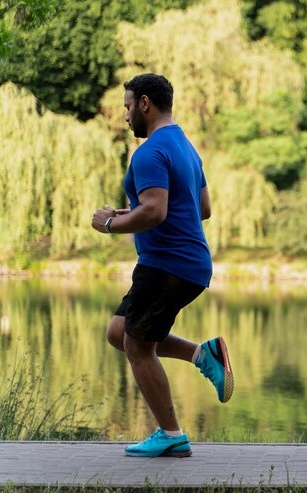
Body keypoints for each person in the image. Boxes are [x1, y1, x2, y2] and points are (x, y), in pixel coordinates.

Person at [91, 73, 234, 458]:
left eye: (127, 107)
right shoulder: (185, 147)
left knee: (137, 347)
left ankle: (171, 434)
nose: (125, 116)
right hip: (186, 263)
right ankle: (202, 354)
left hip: (167, 265)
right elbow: (202, 208)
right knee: (119, 331)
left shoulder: (149, 152)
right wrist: (130, 212)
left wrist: (110, 224)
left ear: (145, 103)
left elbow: (155, 210)